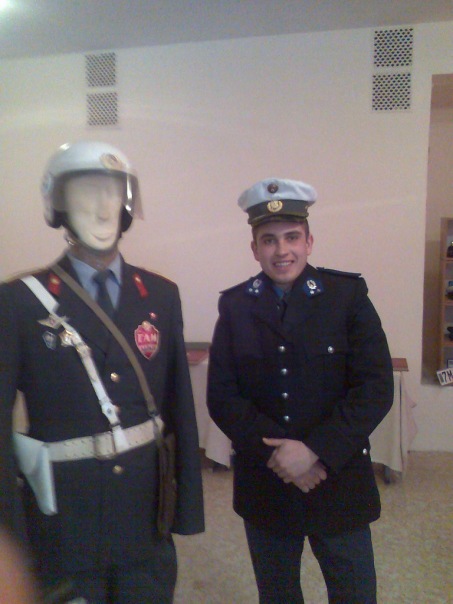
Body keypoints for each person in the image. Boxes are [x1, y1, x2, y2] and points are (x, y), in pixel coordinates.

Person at [0, 141, 204, 603]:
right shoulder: (18, 301)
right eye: (86, 192)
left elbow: (179, 409)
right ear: (59, 204)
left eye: (113, 192)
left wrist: (186, 508)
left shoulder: (160, 295)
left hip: (144, 522)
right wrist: (9, 539)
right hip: (62, 525)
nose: (102, 206)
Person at [207, 177, 394, 604]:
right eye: (269, 240)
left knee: (354, 594)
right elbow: (223, 396)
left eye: (291, 237)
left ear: (309, 242)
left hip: (337, 476)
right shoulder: (236, 306)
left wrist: (315, 450)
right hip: (268, 481)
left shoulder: (347, 296)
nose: (282, 250)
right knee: (277, 594)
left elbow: (376, 385)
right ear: (254, 249)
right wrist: (281, 455)